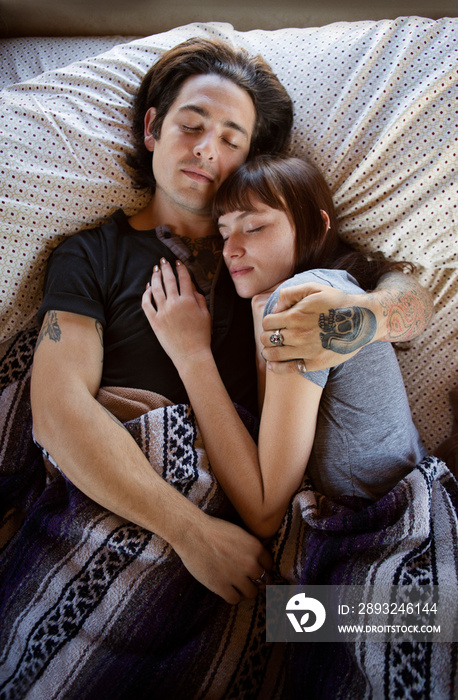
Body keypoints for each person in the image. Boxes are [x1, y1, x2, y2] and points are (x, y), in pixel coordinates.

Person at [30, 38, 433, 604]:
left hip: (284, 525)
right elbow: (55, 412)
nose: (205, 150)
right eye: (191, 126)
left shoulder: (271, 247)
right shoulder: (92, 253)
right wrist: (191, 533)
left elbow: (406, 288)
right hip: (147, 512)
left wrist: (365, 317)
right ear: (153, 129)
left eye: (230, 139)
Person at [142, 154, 428, 539]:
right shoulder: (309, 293)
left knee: (290, 604)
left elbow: (264, 512)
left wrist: (190, 355)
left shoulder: (303, 297)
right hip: (405, 506)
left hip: (383, 530)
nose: (230, 250)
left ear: (317, 227)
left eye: (254, 227)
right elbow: (273, 455)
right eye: (225, 234)